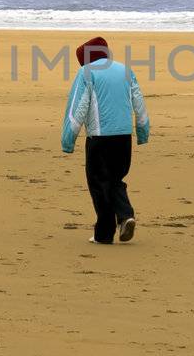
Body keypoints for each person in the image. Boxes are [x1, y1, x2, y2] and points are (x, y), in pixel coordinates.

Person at [60, 36, 151, 244]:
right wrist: (143, 131)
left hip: (100, 139)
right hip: (124, 137)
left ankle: (104, 234)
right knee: (115, 179)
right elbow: (139, 104)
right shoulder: (126, 71)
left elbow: (77, 108)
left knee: (99, 184)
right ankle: (125, 216)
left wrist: (68, 140)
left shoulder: (86, 73)